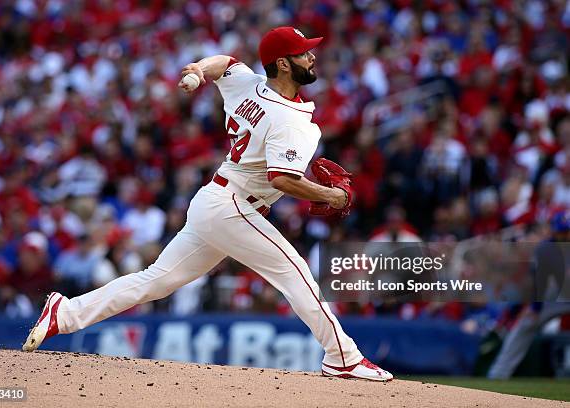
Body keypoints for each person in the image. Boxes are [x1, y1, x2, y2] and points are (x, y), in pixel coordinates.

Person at [22, 26, 393, 381]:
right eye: (303, 53)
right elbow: (281, 179)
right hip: (232, 206)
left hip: (215, 201)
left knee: (155, 282)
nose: (312, 57)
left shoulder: (250, 85)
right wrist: (333, 195)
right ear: (283, 63)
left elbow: (226, 64)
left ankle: (66, 313)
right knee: (295, 272)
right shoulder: (291, 120)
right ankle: (343, 357)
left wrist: (200, 70)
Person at [487, 210, 570, 379]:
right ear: (554, 231)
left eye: (567, 231)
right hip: (555, 297)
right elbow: (540, 283)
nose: (565, 235)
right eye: (561, 231)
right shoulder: (545, 249)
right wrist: (535, 307)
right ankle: (498, 375)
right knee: (525, 324)